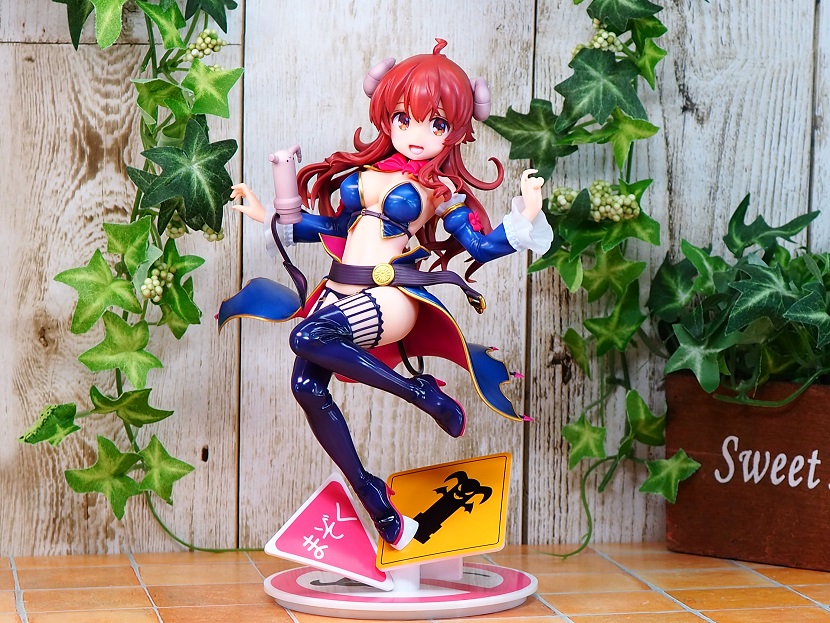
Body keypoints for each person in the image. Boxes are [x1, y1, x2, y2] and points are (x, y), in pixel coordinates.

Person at [220, 40, 551, 550]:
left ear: (456, 130)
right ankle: (376, 499)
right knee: (306, 388)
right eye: (404, 118)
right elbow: (333, 227)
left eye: (436, 124)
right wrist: (271, 215)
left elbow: (481, 247)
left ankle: (422, 394)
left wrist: (526, 214)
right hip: (339, 290)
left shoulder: (441, 193)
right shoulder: (368, 174)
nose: (417, 135)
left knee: (305, 336)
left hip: (388, 293)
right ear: (385, 114)